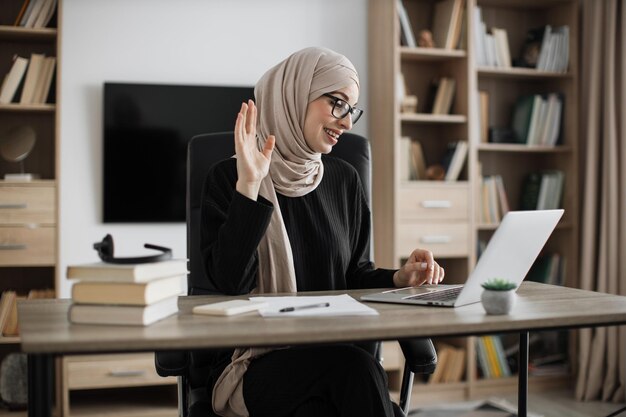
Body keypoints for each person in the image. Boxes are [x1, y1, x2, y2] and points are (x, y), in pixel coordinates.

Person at [201, 47, 445, 417]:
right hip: (255, 362)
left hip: (334, 356)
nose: (347, 122)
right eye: (337, 103)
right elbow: (231, 284)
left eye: (352, 110)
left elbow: (355, 275)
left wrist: (399, 276)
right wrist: (250, 187)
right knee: (358, 374)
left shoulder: (344, 179)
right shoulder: (228, 178)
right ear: (294, 95)